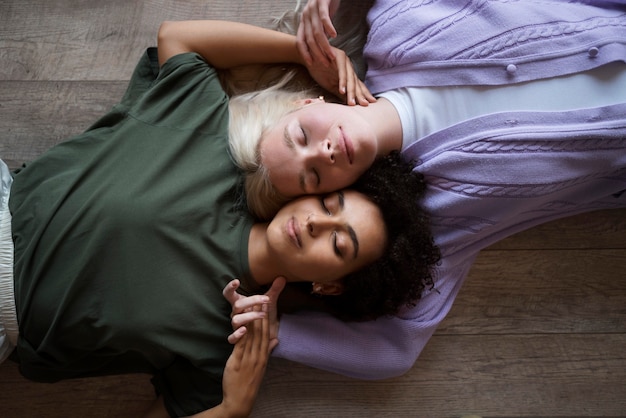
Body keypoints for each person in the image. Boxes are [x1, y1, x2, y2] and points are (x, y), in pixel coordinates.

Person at [0, 19, 440, 417]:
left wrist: (232, 408)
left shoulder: (230, 342)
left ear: (329, 285)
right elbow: (178, 37)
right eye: (328, 205)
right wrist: (303, 50)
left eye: (339, 244)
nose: (315, 224)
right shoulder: (209, 133)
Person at [226, 0, 626, 380]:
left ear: (305, 103)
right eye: (311, 178)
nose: (323, 151)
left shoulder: (401, 25)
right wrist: (277, 335)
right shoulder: (439, 213)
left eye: (300, 135)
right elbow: (391, 352)